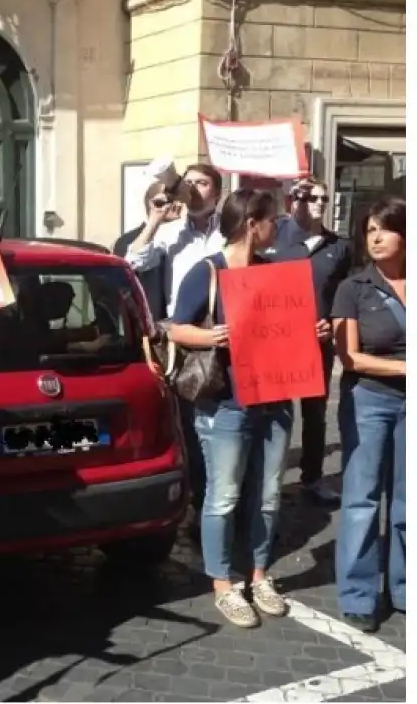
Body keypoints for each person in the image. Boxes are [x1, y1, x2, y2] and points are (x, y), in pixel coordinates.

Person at [168, 189, 331, 628]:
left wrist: (312, 329)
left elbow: (286, 329)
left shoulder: (274, 274)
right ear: (251, 223)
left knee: (268, 494)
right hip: (226, 405)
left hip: (274, 401)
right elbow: (175, 329)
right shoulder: (207, 273)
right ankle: (223, 582)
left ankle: (259, 575)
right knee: (223, 497)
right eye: (272, 219)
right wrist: (212, 336)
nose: (277, 226)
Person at [123, 161, 225, 533]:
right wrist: (155, 218)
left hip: (224, 332)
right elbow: (131, 262)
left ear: (217, 190)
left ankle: (226, 501)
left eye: (203, 183)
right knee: (190, 426)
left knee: (226, 421)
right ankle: (201, 503)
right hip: (183, 336)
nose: (195, 189)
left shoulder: (228, 229)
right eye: (190, 182)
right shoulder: (171, 233)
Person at [332, 197, 406, 633]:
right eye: (369, 230)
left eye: (385, 228)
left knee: (407, 501)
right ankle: (359, 595)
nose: (375, 237)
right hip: (370, 399)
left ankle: (402, 587)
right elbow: (351, 356)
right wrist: (404, 367)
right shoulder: (353, 287)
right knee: (362, 499)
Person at [269, 179, 353, 505]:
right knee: (275, 412)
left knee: (315, 413)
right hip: (275, 344)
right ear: (293, 201)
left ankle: (313, 478)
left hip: (317, 344)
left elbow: (346, 294)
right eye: (309, 197)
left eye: (323, 198)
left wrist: (332, 325)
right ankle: (269, 481)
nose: (318, 203)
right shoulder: (273, 240)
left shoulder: (339, 246)